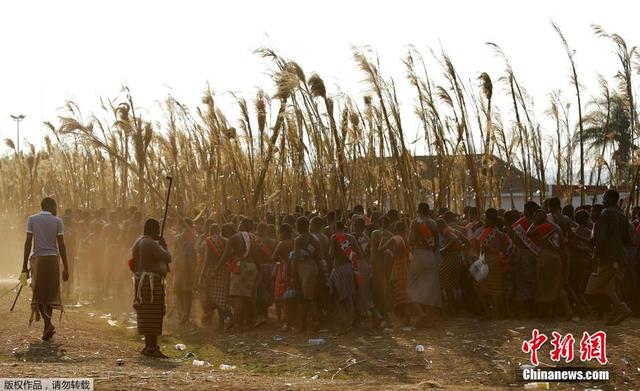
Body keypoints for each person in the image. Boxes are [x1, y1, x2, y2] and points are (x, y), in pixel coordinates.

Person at [21, 197, 70, 341]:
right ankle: (46, 326)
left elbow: (28, 242)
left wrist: (24, 265)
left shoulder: (32, 219)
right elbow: (61, 245)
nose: (57, 209)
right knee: (50, 293)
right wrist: (66, 267)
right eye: (55, 206)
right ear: (49, 206)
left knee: (39, 294)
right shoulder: (58, 221)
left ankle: (47, 324)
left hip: (39, 260)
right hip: (53, 260)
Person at [585, 189, 633, 325]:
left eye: (605, 198)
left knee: (593, 287)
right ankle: (616, 310)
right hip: (620, 256)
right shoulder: (622, 215)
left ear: (611, 199)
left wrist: (597, 253)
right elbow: (627, 238)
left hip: (609, 257)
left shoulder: (606, 213)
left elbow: (602, 237)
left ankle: (621, 307)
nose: (603, 201)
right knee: (610, 287)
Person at [131, 218, 172, 358]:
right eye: (158, 229)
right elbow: (168, 257)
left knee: (146, 315)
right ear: (153, 229)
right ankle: (152, 347)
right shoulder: (150, 243)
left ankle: (148, 346)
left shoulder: (138, 242)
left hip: (141, 280)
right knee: (153, 315)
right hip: (152, 282)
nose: (159, 232)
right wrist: (164, 245)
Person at [474, 208, 514, 319]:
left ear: (488, 220)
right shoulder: (501, 233)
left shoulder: (485, 232)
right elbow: (510, 246)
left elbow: (479, 248)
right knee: (496, 289)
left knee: (481, 288)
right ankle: (496, 313)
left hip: (486, 262)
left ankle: (489, 312)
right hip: (498, 261)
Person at [407, 202, 442, 326]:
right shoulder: (433, 223)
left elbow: (410, 241)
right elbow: (437, 243)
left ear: (418, 211)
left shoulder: (415, 222)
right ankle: (428, 318)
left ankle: (421, 314)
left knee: (411, 286)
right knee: (431, 288)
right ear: (428, 211)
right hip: (430, 256)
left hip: (418, 255)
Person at [328, 221, 361, 333]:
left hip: (340, 269)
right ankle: (349, 322)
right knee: (349, 296)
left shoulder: (335, 237)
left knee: (339, 297)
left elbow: (331, 255)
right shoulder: (351, 237)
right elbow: (358, 253)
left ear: (336, 228)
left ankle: (346, 322)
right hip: (350, 268)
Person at [378, 220, 411, 325]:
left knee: (399, 293)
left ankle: (405, 318)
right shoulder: (405, 239)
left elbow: (380, 249)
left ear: (396, 229)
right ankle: (405, 317)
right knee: (403, 293)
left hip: (398, 267)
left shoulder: (394, 238)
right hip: (405, 266)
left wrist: (383, 239)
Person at [293, 216, 322, 332]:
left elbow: (295, 258)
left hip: (305, 269)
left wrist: (292, 274)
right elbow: (319, 256)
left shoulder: (298, 240)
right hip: (313, 267)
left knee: (306, 298)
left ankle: (313, 321)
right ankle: (307, 323)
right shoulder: (315, 239)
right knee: (308, 296)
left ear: (300, 226)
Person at [172, 219, 198, 325]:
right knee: (178, 291)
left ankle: (186, 314)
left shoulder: (193, 238)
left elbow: (196, 253)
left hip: (189, 268)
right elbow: (174, 253)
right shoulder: (178, 238)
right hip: (180, 267)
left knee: (187, 292)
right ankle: (183, 313)